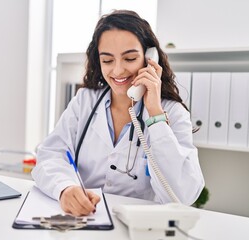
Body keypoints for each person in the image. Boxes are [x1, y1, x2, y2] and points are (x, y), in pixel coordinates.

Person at [32, 10, 205, 216]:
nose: (118, 70)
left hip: (137, 227)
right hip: (84, 221)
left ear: (150, 58)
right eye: (107, 60)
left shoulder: (172, 113)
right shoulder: (85, 101)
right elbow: (50, 154)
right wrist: (65, 188)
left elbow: (183, 195)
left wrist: (155, 115)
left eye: (130, 58)